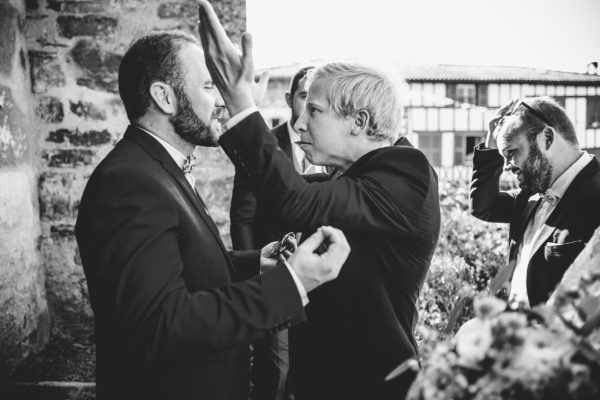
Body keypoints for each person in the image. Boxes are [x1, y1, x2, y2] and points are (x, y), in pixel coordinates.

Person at [74, 30, 350, 400]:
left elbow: (179, 268)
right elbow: (161, 325)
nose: (222, 100)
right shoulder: (129, 182)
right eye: (209, 86)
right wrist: (291, 283)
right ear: (165, 97)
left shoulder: (156, 167)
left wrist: (256, 263)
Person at [198, 3, 441, 399]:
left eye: (314, 110)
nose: (297, 124)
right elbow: (283, 192)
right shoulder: (344, 177)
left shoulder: (407, 171)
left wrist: (243, 105)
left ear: (358, 122)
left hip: (373, 384)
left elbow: (295, 201)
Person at [230, 66, 327, 400]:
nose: (310, 108)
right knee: (276, 370)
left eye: (319, 102)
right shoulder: (264, 145)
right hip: (275, 276)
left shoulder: (332, 149)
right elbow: (242, 218)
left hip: (321, 282)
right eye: (305, 97)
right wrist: (254, 278)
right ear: (290, 99)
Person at [470, 97, 600, 308]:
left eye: (511, 152)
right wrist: (491, 144)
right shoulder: (529, 196)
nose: (506, 167)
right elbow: (483, 206)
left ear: (547, 138)